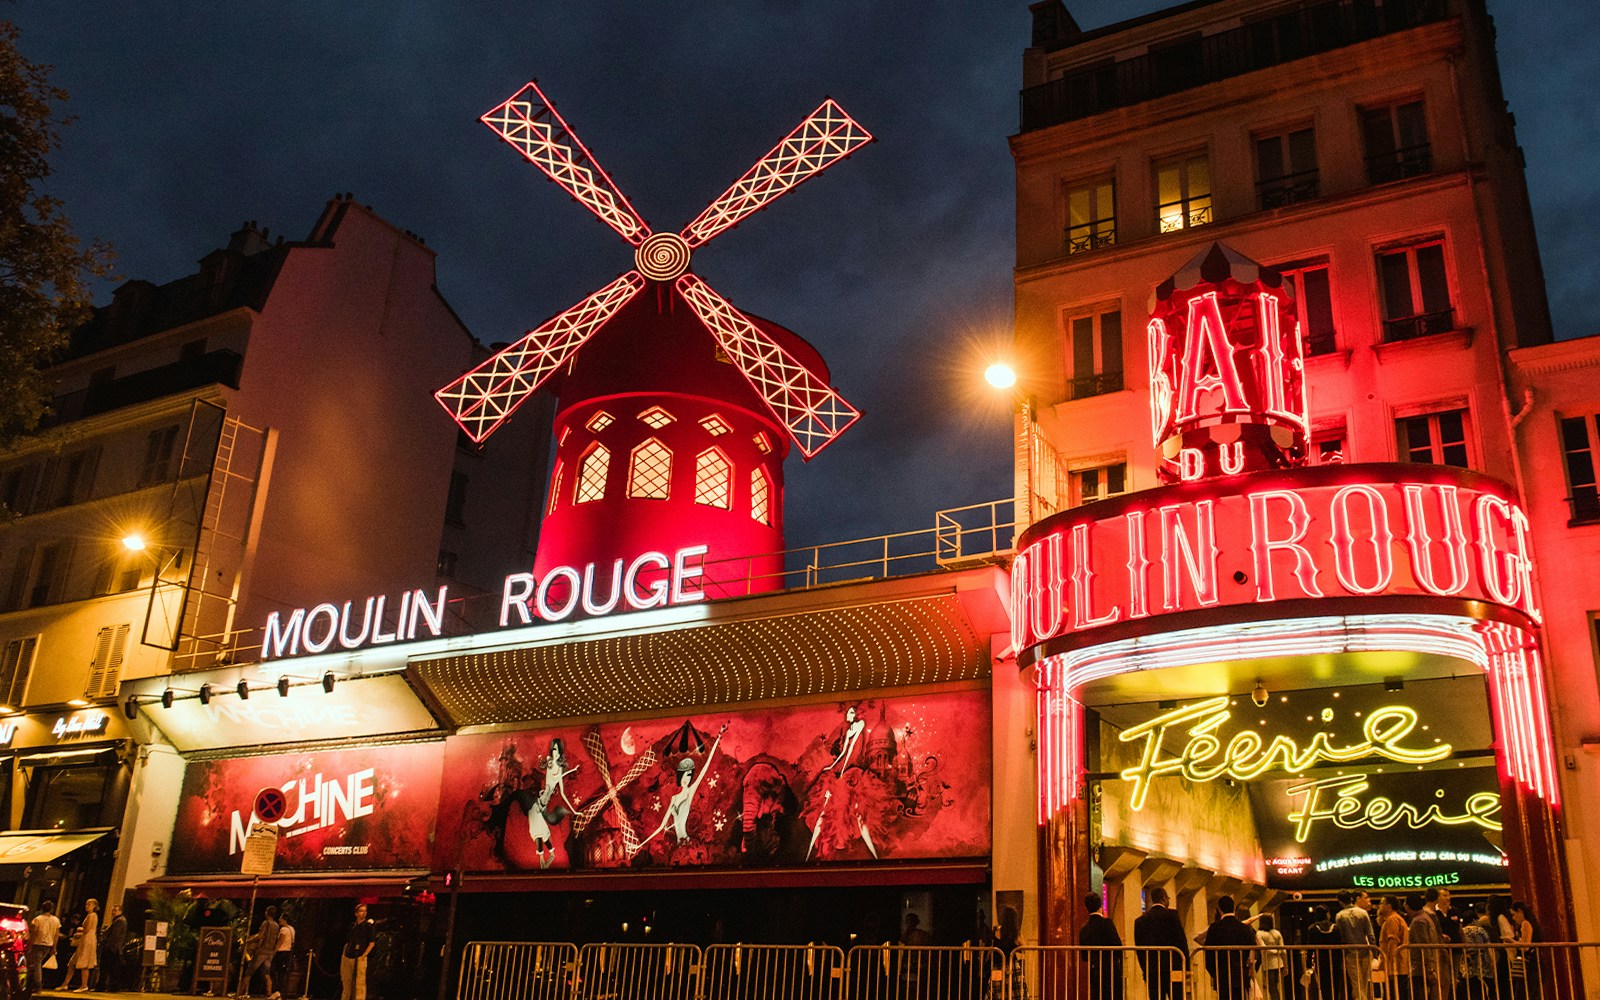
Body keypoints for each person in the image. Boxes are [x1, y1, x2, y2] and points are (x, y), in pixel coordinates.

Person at [1133, 887, 1187, 1000]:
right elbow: (1181, 941)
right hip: (1173, 968)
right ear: (1163, 898)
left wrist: (1145, 969)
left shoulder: (1140, 921)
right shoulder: (1172, 916)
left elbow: (1140, 950)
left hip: (1152, 970)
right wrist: (1185, 966)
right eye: (1168, 898)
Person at [1202, 895, 1256, 1000]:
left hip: (1222, 974)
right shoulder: (1243, 928)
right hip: (1240, 973)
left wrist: (1214, 973)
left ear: (1219, 909)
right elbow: (1251, 949)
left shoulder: (1214, 928)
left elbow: (1209, 953)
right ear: (1233, 907)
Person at [1079, 893, 1124, 1000]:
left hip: (1095, 970)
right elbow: (1117, 945)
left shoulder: (1084, 929)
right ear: (1100, 906)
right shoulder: (1107, 923)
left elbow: (1084, 956)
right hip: (1110, 969)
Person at [1334, 890, 1375, 1000]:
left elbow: (1341, 937)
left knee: (1356, 982)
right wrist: (1374, 950)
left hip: (1350, 953)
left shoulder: (1340, 916)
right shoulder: (1363, 913)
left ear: (1341, 902)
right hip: (1365, 951)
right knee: (1365, 981)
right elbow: (1370, 933)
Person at [1408, 891, 1444, 1000]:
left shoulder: (1418, 921)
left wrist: (1429, 969)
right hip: (1427, 966)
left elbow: (1424, 945)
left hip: (1420, 968)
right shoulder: (1426, 917)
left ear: (1408, 905)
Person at [238, 905, 280, 999]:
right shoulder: (276, 925)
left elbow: (260, 936)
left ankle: (239, 993)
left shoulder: (266, 923)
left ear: (267, 913)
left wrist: (248, 941)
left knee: (249, 972)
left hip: (261, 951)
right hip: (269, 953)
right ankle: (269, 994)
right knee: (266, 973)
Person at [1305, 904, 1344, 1000]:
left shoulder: (1313, 928)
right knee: (1335, 983)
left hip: (1321, 960)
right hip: (1335, 960)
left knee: (1324, 984)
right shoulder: (1335, 927)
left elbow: (1310, 947)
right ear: (1327, 914)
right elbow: (1340, 945)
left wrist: (1308, 963)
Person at [1460, 902, 1495, 1000]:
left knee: (1472, 992)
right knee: (1485, 990)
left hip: (1468, 967)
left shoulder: (1462, 931)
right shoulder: (1480, 930)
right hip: (1483, 964)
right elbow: (1488, 946)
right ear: (1474, 920)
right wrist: (1492, 962)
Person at [1377, 896, 1410, 999]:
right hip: (1400, 966)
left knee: (1392, 995)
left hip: (1396, 967)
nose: (1379, 906)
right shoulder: (1395, 918)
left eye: (1382, 903)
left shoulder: (1392, 919)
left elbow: (1393, 943)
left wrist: (1389, 966)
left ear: (1389, 906)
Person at [341, 903, 376, 1000]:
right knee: (346, 983)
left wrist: (364, 956)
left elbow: (372, 943)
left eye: (365, 911)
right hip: (348, 956)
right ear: (356, 913)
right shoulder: (352, 926)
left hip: (360, 956)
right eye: (361, 911)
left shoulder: (368, 926)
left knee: (359, 985)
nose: (363, 913)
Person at [25, 901, 60, 998]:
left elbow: (34, 932)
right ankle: (34, 983)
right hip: (48, 944)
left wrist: (29, 944)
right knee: (37, 963)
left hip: (37, 943)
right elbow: (56, 935)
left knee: (36, 964)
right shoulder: (56, 920)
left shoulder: (37, 919)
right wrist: (54, 947)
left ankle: (37, 985)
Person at [1507, 901, 1539, 1000]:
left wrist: (1511, 941)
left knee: (1522, 994)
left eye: (1513, 914)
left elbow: (1525, 946)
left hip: (1528, 966)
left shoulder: (1525, 923)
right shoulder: (1532, 923)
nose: (1513, 918)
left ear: (1520, 911)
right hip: (1533, 964)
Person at [65, 898, 98, 992]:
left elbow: (87, 929)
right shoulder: (90, 916)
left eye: (89, 905)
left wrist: (80, 931)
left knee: (84, 962)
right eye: (87, 904)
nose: (87, 906)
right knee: (73, 962)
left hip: (87, 940)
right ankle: (66, 983)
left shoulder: (92, 916)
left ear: (94, 906)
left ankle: (84, 985)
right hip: (86, 939)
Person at [1255, 913, 1287, 1000]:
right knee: (1275, 986)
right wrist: (1286, 964)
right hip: (1279, 963)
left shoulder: (1259, 933)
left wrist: (1273, 950)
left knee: (1271, 987)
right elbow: (1283, 950)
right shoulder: (1277, 933)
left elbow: (1263, 948)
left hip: (1268, 964)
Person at [100, 904, 127, 992]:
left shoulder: (119, 921)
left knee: (107, 968)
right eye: (112, 910)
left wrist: (106, 944)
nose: (113, 912)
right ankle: (111, 986)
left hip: (112, 948)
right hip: (114, 948)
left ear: (120, 911)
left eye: (115, 910)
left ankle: (104, 986)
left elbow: (114, 936)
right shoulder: (118, 920)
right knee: (112, 969)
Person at [271, 913, 296, 1000]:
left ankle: (278, 992)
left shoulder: (283, 929)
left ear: (285, 919)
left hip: (281, 953)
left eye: (281, 918)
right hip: (288, 952)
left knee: (277, 973)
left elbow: (280, 942)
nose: (279, 919)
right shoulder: (292, 929)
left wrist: (273, 952)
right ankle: (281, 993)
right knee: (284, 974)